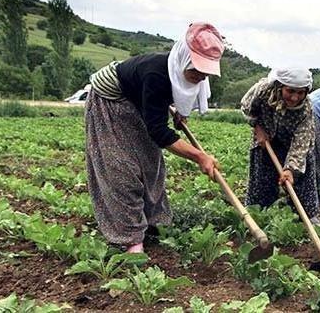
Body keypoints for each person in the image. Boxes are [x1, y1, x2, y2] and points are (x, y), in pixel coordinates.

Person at [84, 23, 223, 253]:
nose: (200, 77)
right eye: (196, 72)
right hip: (109, 100)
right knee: (121, 168)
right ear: (183, 61)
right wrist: (199, 156)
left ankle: (153, 222)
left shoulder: (191, 76)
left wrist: (181, 113)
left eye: (205, 73)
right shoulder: (157, 74)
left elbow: (176, 96)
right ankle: (129, 237)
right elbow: (158, 131)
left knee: (151, 163)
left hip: (136, 100)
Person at [241, 67, 320, 226]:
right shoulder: (264, 90)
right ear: (280, 87)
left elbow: (301, 142)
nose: (294, 98)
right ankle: (256, 214)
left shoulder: (306, 109)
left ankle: (308, 216)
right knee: (262, 175)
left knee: (302, 176)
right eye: (290, 91)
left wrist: (290, 169)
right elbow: (246, 107)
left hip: (292, 141)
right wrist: (257, 128)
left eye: (300, 93)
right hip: (266, 135)